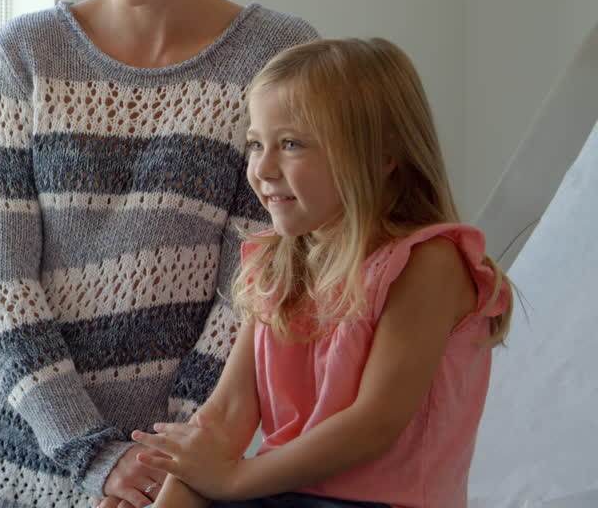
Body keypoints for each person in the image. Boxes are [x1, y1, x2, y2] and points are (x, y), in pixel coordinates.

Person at [0, 0, 318, 508]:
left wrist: (164, 460)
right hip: (17, 450)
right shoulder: (26, 53)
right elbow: (0, 283)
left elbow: (256, 283)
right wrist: (92, 453)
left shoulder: (276, 54)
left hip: (171, 474)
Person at [132, 38, 515, 508]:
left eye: (291, 144)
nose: (263, 168)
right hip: (277, 494)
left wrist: (232, 481)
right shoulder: (276, 264)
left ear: (381, 156)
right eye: (255, 144)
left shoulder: (428, 263)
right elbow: (226, 415)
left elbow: (374, 424)